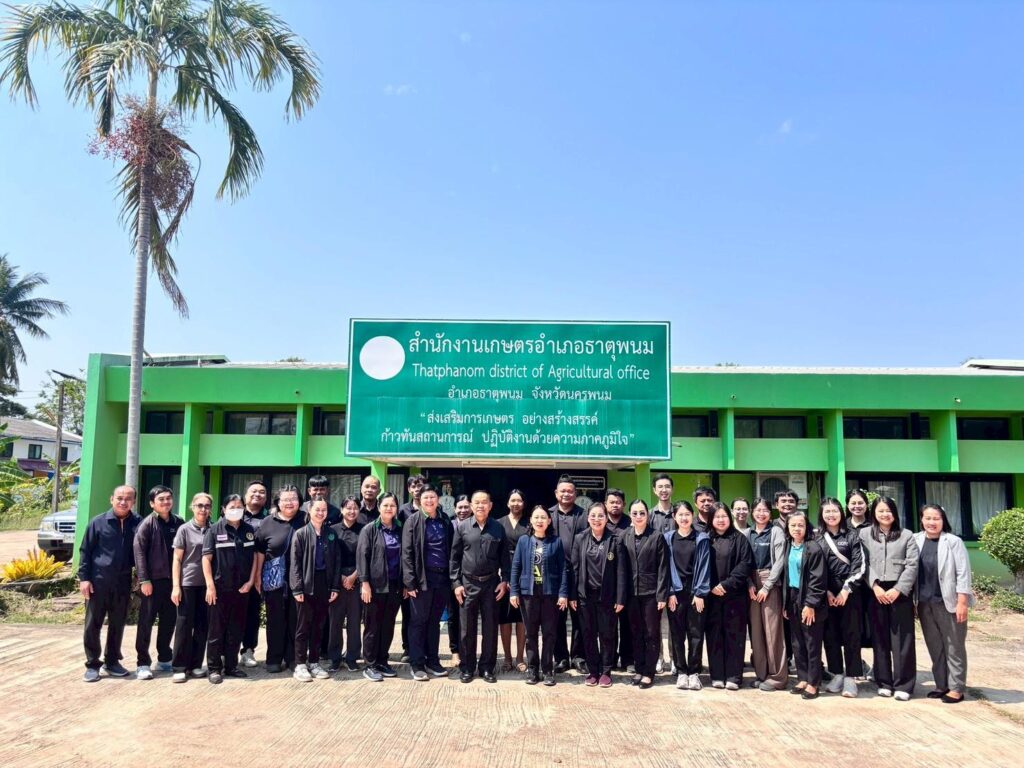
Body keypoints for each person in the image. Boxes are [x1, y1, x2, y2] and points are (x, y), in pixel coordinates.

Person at [78, 485, 141, 682]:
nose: (123, 502)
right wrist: (84, 578)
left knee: (117, 623)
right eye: (120, 498)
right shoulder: (97, 523)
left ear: (133, 501)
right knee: (93, 624)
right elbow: (85, 551)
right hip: (98, 581)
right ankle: (92, 664)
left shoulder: (138, 523)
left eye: (128, 499)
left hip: (123, 582)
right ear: (111, 499)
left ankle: (112, 661)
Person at [859, 495, 919, 701]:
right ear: (873, 513)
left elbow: (912, 565)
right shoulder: (865, 534)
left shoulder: (906, 535)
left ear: (895, 513)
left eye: (888, 510)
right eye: (880, 511)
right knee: (880, 637)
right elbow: (863, 562)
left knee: (902, 639)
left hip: (900, 592)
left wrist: (899, 589)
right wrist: (874, 586)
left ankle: (904, 684)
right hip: (875, 591)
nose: (885, 514)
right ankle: (883, 682)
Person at [914, 504, 973, 704]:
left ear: (943, 520)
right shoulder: (915, 539)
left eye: (936, 518)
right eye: (927, 518)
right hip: (924, 602)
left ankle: (956, 688)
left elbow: (963, 573)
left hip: (949, 602)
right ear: (921, 520)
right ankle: (941, 684)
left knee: (954, 646)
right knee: (934, 645)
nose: (932, 522)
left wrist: (962, 601)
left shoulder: (953, 541)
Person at [450, 490, 510, 683]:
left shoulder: (498, 528)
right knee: (467, 629)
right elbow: (454, 558)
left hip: (492, 584)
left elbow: (505, 558)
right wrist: (456, 584)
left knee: (490, 628)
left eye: (484, 502)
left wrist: (504, 581)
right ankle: (467, 667)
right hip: (467, 584)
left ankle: (487, 668)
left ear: (490, 506)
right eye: (477, 502)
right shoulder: (462, 527)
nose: (480, 506)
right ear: (471, 505)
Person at [511, 505, 569, 685]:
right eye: (536, 517)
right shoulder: (524, 541)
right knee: (531, 634)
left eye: (543, 517)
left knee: (549, 633)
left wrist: (563, 593)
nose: (539, 520)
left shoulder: (556, 542)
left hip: (550, 595)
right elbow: (516, 567)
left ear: (549, 521)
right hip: (528, 594)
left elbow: (563, 569)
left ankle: (548, 669)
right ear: (531, 520)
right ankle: (533, 669)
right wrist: (514, 591)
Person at [202, 494, 258, 684]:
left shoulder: (249, 530)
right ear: (224, 509)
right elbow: (206, 559)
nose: (236, 510)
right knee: (216, 631)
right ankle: (214, 668)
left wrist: (250, 581)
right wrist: (210, 586)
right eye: (232, 507)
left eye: (239, 506)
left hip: (242, 589)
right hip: (219, 590)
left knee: (236, 629)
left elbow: (254, 558)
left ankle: (231, 666)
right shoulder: (214, 530)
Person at [570, 502, 626, 688]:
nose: (596, 519)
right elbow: (574, 569)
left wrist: (620, 598)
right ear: (588, 518)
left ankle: (606, 671)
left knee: (607, 634)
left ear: (606, 518)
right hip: (585, 596)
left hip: (607, 596)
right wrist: (572, 595)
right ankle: (593, 671)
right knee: (588, 634)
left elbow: (621, 571)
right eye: (593, 516)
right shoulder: (580, 538)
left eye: (600, 516)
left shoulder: (615, 539)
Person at [402, 483, 454, 681]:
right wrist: (410, 582)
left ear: (438, 499)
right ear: (420, 500)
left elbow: (451, 549)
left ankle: (432, 660)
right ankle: (417, 664)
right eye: (426, 498)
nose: (429, 501)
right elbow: (407, 553)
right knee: (418, 621)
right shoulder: (413, 521)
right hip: (421, 579)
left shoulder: (445, 520)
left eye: (432, 497)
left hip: (442, 579)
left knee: (434, 622)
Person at [133, 484, 184, 679]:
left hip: (173, 582)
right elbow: (139, 553)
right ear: (152, 503)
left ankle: (164, 658)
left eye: (168, 498)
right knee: (146, 622)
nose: (166, 502)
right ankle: (142, 663)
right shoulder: (147, 524)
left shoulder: (178, 522)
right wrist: (144, 580)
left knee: (169, 621)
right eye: (161, 499)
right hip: (152, 583)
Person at [254, 485, 305, 672]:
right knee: (275, 620)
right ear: (278, 502)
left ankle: (293, 658)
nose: (290, 503)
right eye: (285, 499)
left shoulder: (306, 519)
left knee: (295, 620)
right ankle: (274, 658)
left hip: (299, 580)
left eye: (294, 499)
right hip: (274, 580)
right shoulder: (267, 522)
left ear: (299, 502)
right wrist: (257, 577)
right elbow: (259, 551)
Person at [817, 497, 865, 698]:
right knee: (830, 635)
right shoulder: (817, 538)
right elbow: (815, 568)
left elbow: (859, 565)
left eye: (834, 511)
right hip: (826, 594)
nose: (831, 515)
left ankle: (851, 677)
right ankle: (837, 673)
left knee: (851, 635)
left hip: (850, 593)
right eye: (827, 511)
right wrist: (826, 591)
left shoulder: (853, 536)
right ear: (821, 515)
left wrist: (846, 590)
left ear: (841, 512)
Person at [290, 498, 340, 682]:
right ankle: (300, 664)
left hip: (324, 584)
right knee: (303, 626)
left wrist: (335, 586)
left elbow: (336, 561)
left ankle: (314, 661)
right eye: (317, 509)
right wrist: (297, 588)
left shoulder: (331, 533)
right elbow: (295, 563)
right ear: (310, 511)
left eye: (324, 510)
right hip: (306, 584)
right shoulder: (301, 534)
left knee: (319, 625)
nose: (321, 513)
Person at [705, 502, 753, 690]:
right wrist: (711, 586)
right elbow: (700, 565)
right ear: (711, 519)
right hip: (711, 596)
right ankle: (717, 675)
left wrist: (726, 585)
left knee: (735, 635)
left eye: (724, 516)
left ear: (729, 517)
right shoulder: (705, 539)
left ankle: (734, 676)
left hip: (735, 595)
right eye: (717, 517)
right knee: (714, 635)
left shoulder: (740, 539)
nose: (721, 520)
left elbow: (745, 564)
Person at [356, 492, 404, 681]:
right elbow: (362, 557)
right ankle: (370, 664)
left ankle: (382, 661)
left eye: (392, 505)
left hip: (394, 586)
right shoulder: (369, 529)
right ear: (379, 507)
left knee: (388, 625)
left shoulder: (400, 528)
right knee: (372, 626)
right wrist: (364, 583)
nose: (389, 508)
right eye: (385, 505)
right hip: (374, 586)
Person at [621, 499, 668, 689]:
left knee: (651, 633)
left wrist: (661, 595)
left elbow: (663, 568)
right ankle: (639, 669)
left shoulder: (657, 536)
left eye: (642, 513)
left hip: (651, 593)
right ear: (630, 515)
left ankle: (649, 672)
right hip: (631, 594)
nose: (638, 516)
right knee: (636, 632)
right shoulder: (624, 536)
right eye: (635, 513)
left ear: (648, 515)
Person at [664, 501, 710, 691]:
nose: (684, 518)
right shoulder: (667, 539)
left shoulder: (702, 538)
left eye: (687, 514)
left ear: (692, 516)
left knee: (696, 634)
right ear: (674, 517)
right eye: (680, 514)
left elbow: (705, 566)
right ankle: (681, 671)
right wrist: (670, 592)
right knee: (677, 634)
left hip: (695, 592)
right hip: (675, 593)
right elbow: (664, 568)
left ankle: (694, 672)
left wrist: (700, 592)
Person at [783, 510, 827, 699]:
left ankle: (813, 682)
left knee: (811, 642)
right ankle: (802, 678)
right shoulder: (788, 545)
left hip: (809, 599)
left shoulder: (813, 548)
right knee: (797, 641)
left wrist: (810, 604)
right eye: (793, 525)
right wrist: (786, 604)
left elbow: (818, 579)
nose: (797, 528)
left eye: (800, 525)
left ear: (806, 527)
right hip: (792, 597)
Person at [170, 493, 212, 682]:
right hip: (187, 584)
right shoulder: (184, 529)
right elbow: (177, 559)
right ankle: (180, 666)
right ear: (192, 507)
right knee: (184, 626)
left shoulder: (214, 529)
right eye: (199, 505)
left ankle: (195, 665)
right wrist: (175, 586)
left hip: (208, 586)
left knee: (203, 626)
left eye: (207, 506)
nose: (203, 509)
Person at [548, 474, 587, 673]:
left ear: (575, 493)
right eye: (562, 491)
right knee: (557, 618)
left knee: (580, 617)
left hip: (579, 573)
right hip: (555, 575)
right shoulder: (547, 515)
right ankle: (561, 657)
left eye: (570, 491)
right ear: (556, 493)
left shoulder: (585, 515)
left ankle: (578, 657)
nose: (566, 494)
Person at [747, 497, 787, 692]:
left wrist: (767, 586)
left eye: (765, 510)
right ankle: (761, 674)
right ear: (752, 512)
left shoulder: (776, 531)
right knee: (756, 632)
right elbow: (744, 560)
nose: (761, 513)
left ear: (770, 513)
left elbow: (780, 561)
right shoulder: (748, 533)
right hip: (752, 585)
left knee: (773, 632)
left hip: (769, 582)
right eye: (757, 510)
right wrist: (749, 584)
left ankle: (777, 677)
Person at [327, 495, 364, 673]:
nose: (352, 511)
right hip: (337, 580)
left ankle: (352, 657)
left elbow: (366, 556)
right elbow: (329, 556)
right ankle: (334, 657)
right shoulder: (332, 530)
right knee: (335, 621)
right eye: (348, 508)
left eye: (355, 508)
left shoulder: (364, 530)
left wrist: (354, 576)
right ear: (342, 510)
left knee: (355, 622)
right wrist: (342, 577)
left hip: (357, 578)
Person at [498, 489, 528, 673]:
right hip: (504, 576)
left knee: (521, 618)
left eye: (519, 500)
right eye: (513, 500)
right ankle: (507, 657)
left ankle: (520, 657)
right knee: (505, 618)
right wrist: (504, 576)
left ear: (523, 504)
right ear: (507, 503)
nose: (516, 504)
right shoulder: (498, 523)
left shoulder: (529, 524)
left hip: (524, 576)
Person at [240, 480, 269, 668]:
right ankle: (226, 651)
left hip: (258, 575)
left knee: (252, 613)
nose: (257, 494)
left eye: (262, 492)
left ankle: (248, 650)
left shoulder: (269, 520)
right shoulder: (234, 515)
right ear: (245, 496)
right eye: (253, 491)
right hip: (234, 574)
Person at [397, 474, 426, 661]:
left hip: (427, 571)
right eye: (413, 486)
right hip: (407, 568)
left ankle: (424, 648)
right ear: (409, 489)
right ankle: (407, 648)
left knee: (424, 614)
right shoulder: (402, 512)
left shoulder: (433, 509)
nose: (417, 489)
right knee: (408, 611)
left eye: (420, 485)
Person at [604, 487, 633, 671]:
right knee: (609, 625)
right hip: (606, 582)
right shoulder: (600, 522)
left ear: (624, 504)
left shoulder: (630, 523)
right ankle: (610, 659)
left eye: (618, 502)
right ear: (605, 504)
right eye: (611, 502)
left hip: (627, 580)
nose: (615, 505)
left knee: (627, 623)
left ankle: (628, 659)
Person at [846, 488, 874, 678]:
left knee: (874, 627)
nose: (857, 506)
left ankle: (879, 666)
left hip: (872, 584)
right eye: (853, 503)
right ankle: (857, 665)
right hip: (850, 585)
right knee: (853, 628)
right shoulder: (844, 525)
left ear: (866, 504)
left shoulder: (874, 524)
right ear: (847, 506)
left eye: (860, 502)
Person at [650, 473, 676, 675]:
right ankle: (658, 657)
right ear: (654, 490)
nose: (664, 490)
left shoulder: (679, 513)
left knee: (675, 621)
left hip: (676, 575)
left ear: (672, 489)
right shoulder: (650, 515)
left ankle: (675, 658)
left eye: (667, 486)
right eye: (660, 486)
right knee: (655, 621)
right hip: (655, 575)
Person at [447, 495, 472, 664]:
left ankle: (468, 650)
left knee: (469, 615)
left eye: (466, 507)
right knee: (453, 614)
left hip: (471, 576)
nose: (463, 510)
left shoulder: (476, 525)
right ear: (455, 509)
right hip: (452, 576)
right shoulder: (448, 525)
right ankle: (455, 650)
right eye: (460, 507)